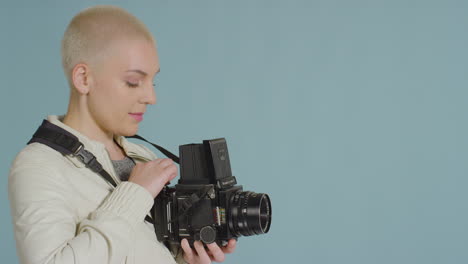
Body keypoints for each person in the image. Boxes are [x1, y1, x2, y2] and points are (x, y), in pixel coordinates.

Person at [8, 5, 236, 264]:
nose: (151, 97)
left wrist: (185, 259)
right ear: (84, 79)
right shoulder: (38, 165)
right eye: (133, 82)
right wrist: (134, 194)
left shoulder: (141, 157)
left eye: (153, 82)